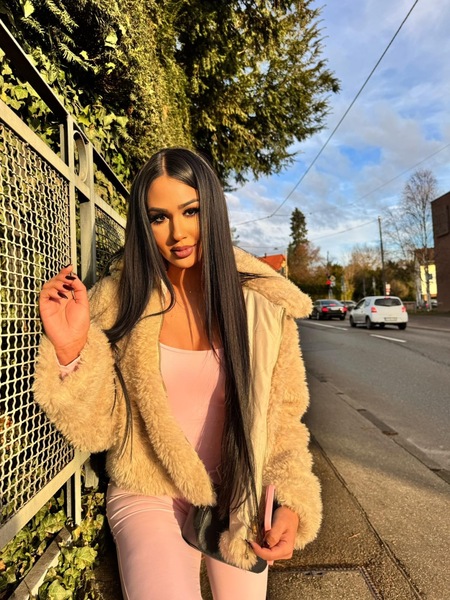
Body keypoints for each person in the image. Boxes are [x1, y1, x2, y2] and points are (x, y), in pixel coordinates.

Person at [33, 147, 321, 600]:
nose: (178, 233)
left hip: (238, 496)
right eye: (159, 217)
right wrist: (70, 349)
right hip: (148, 490)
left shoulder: (262, 310)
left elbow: (283, 420)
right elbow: (99, 429)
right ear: (143, 224)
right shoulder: (119, 301)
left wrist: (290, 501)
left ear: (213, 210)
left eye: (191, 211)